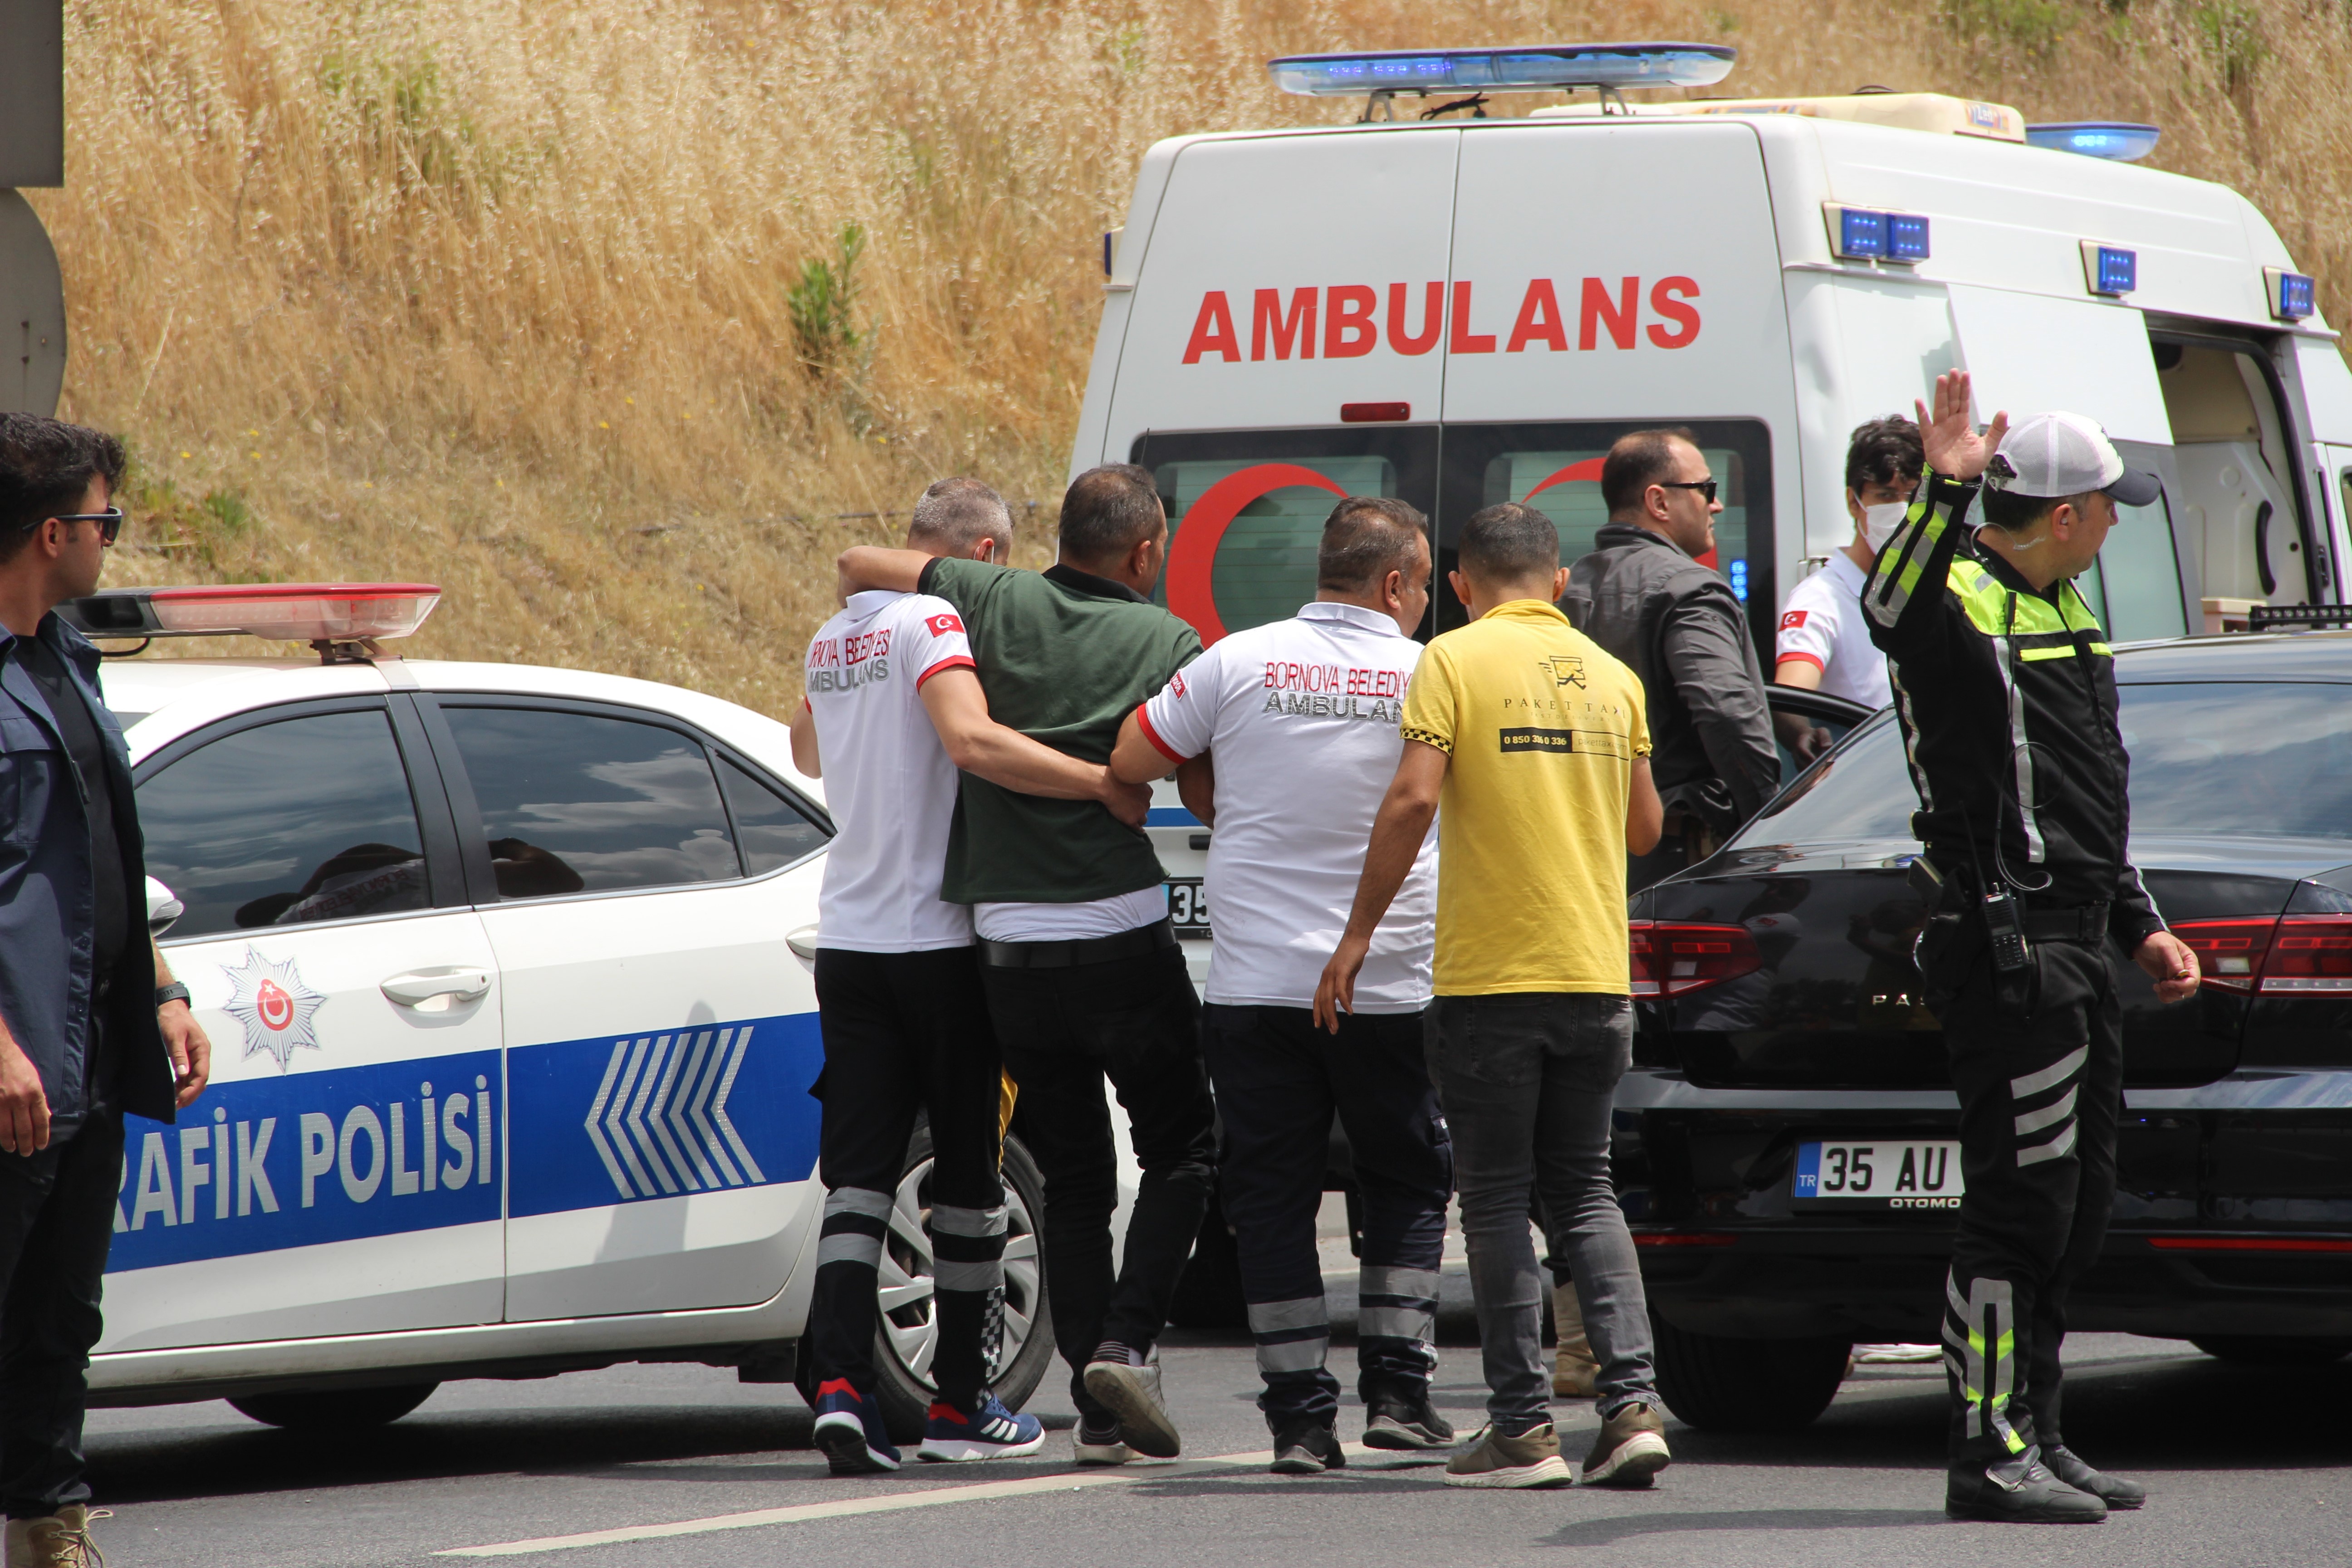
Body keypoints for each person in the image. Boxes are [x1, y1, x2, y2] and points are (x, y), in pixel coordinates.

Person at [1863, 371, 2201, 1524]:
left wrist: (2137, 920)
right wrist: (1944, 488)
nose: (2116, 523)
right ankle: (1985, 1447)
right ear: (2064, 516)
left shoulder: (2065, 606)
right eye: (2110, 505)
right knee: (2018, 1207)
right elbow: (1885, 608)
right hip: (2002, 947)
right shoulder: (1952, 598)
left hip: (2077, 946)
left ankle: (2038, 1432)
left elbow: (2086, 799)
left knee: (2075, 1201)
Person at [836, 464, 1217, 1465]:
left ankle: (1096, 1411)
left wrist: (953, 574)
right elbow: (1206, 790)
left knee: (1079, 1170)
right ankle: (1125, 1344)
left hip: (1006, 949)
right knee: (1184, 1144)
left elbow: (860, 562)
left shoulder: (990, 594)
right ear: (1144, 554)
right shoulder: (1167, 639)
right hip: (1119, 933)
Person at [1316, 501, 1670, 1492]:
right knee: (1588, 1192)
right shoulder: (1615, 677)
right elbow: (1645, 831)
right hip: (1597, 977)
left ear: (1462, 586)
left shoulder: (1452, 660)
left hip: (1490, 980)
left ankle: (1522, 1429)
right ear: (1560, 585)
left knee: (1502, 1202)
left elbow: (1416, 796)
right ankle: (1632, 1408)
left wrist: (1355, 936)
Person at [1107, 496, 1454, 1475]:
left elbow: (1136, 759)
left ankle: (1300, 1419)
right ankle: (1399, 1394)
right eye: (1424, 584)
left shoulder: (1234, 660)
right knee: (1408, 1176)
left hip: (1254, 982)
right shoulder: (1430, 672)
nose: (1425, 601)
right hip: (1388, 980)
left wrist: (1218, 775)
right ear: (1393, 584)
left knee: (1268, 1196)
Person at [0, 414, 211, 1567]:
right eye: (103, 521)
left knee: (58, 1318)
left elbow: (104, 853)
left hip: (83, 1051)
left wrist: (164, 986)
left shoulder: (67, 659)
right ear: (48, 532)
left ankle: (49, 1528)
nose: (110, 540)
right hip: (13, 1058)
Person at [1561, 429, 1779, 888]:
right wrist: (1770, 819)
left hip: (1574, 847)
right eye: (1706, 490)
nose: (1716, 504)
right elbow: (1725, 712)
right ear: (1659, 502)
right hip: (1679, 860)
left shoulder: (1563, 590)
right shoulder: (1689, 586)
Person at [1774, 416, 1920, 760]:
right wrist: (1802, 735)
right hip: (1867, 790)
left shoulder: (1938, 590)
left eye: (1912, 497)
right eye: (1885, 496)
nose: (1900, 510)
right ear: (1854, 502)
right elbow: (1790, 694)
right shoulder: (1821, 599)